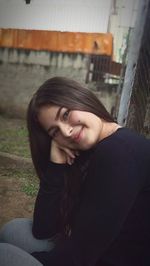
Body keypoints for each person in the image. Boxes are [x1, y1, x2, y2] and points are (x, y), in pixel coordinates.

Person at [0, 76, 150, 266]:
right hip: (92, 255)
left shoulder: (119, 152)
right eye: (54, 132)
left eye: (65, 115)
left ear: (81, 99)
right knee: (13, 230)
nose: (66, 132)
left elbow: (77, 259)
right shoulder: (90, 151)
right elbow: (43, 229)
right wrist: (56, 163)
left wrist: (29, 259)